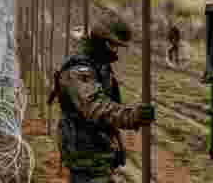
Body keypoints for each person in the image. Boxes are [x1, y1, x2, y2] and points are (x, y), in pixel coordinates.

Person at [48, 12, 156, 182]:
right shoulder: (79, 70)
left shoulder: (98, 63)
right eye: (113, 46)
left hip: (96, 152)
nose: (115, 51)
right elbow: (96, 107)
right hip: (84, 155)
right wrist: (131, 115)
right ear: (102, 41)